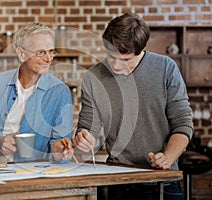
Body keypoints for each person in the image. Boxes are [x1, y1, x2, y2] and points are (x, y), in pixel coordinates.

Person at [73, 13, 193, 199]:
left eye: (125, 60)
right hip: (119, 181)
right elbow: (87, 127)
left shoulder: (166, 68)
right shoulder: (93, 78)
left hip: (163, 180)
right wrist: (83, 138)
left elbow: (183, 124)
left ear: (141, 50)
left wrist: (168, 156)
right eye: (111, 56)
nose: (115, 66)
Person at [0, 22, 74, 163]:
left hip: (34, 176)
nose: (48, 58)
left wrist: (59, 150)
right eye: (41, 52)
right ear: (21, 54)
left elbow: (61, 143)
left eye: (51, 51)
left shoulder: (59, 92)